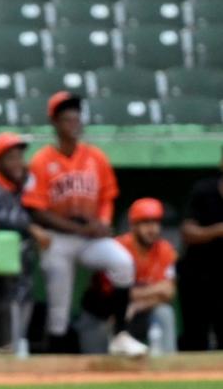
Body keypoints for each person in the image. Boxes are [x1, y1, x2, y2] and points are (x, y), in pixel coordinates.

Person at [22, 91, 146, 356]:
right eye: (67, 120)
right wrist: (82, 229)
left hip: (90, 236)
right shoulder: (41, 161)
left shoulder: (95, 157)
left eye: (77, 119)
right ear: (55, 124)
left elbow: (107, 196)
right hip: (59, 237)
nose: (74, 125)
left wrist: (102, 221)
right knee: (59, 302)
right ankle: (56, 354)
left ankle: (121, 335)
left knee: (123, 262)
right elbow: (37, 211)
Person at [0, 132, 46, 352]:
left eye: (20, 157)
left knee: (17, 339)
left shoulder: (25, 188)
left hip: (22, 273)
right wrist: (30, 228)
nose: (17, 163)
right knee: (0, 340)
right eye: (11, 157)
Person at [76, 198, 177, 354]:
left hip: (135, 312)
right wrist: (152, 291)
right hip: (101, 314)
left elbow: (168, 292)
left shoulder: (165, 250)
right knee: (95, 362)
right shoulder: (116, 250)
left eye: (156, 223)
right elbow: (115, 295)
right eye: (146, 223)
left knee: (164, 312)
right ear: (133, 226)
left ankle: (169, 367)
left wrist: (137, 305)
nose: (152, 229)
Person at [178, 146, 223, 351]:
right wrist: (217, 230)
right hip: (197, 276)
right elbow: (187, 232)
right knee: (195, 338)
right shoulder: (204, 189)